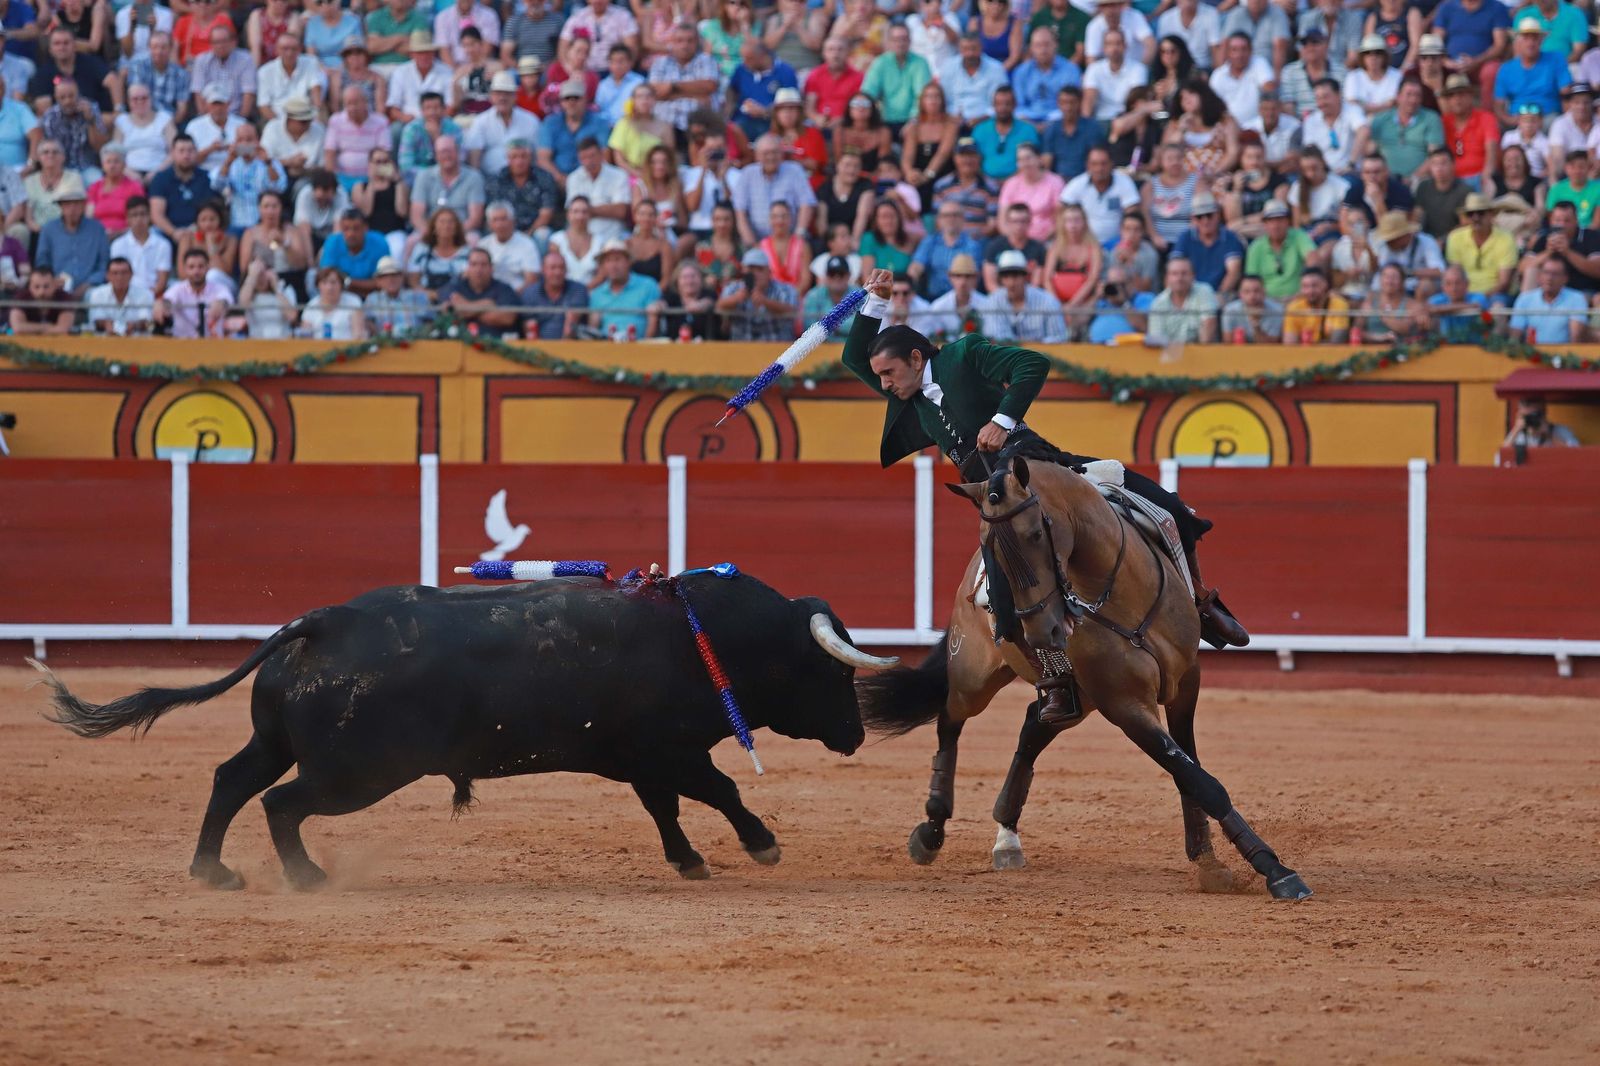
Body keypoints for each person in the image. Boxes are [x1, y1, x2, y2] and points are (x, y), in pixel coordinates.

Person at [842, 266, 1250, 721]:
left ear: (917, 359)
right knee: (1004, 591)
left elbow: (1032, 364)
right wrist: (873, 303)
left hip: (1041, 467)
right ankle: (1056, 679)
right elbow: (853, 360)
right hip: (996, 499)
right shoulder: (908, 395)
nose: (883, 385)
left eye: (888, 374)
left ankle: (1202, 603)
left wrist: (1002, 420)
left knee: (1168, 508)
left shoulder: (964, 354)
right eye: (879, 377)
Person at [35, 175, 106, 298]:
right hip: (57, 287)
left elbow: (103, 264)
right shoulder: (49, 229)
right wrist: (52, 280)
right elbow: (42, 261)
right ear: (61, 206)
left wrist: (87, 284)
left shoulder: (97, 229)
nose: (72, 208)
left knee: (95, 296)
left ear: (83, 205)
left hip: (90, 288)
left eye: (76, 203)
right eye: (67, 204)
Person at [982, 248, 1068, 343]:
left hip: (1043, 356)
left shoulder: (1048, 302)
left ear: (1025, 277)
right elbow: (998, 338)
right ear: (1001, 279)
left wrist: (1032, 347)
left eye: (1015, 276)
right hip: (1007, 357)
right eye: (1006, 276)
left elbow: (1059, 338)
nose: (1011, 283)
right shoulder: (993, 301)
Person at [1445, 191, 1517, 303]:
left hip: (1494, 295)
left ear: (1491, 214)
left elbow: (1504, 282)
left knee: (1498, 307)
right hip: (1462, 295)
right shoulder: (1455, 237)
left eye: (1480, 213)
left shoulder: (1506, 238)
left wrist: (1479, 300)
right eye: (1470, 214)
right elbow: (1456, 276)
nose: (1475, 218)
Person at [1493, 18, 1569, 125]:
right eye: (1525, 38)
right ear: (1517, 41)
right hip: (1517, 121)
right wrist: (1509, 120)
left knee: (1555, 123)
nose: (1530, 43)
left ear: (1541, 40)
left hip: (1547, 118)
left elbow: (1566, 93)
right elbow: (1499, 104)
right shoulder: (1506, 68)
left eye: (1535, 38)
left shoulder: (1556, 59)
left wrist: (1566, 121)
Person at [1058, 144, 1138, 244]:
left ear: (1111, 164)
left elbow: (1132, 215)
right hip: (1084, 243)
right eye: (1094, 164)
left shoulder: (1124, 182)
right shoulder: (1078, 183)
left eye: (1103, 163)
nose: (1099, 168)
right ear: (1087, 165)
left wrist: (1125, 244)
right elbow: (1061, 210)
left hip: (1117, 244)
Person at [1371, 78, 1445, 183]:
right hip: (1384, 180)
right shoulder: (1381, 120)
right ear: (1398, 96)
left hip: (1420, 181)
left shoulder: (1431, 118)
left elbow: (1435, 157)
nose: (1413, 100)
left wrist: (1412, 179)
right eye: (1409, 94)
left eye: (1417, 95)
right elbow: (1371, 153)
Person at [410, 133, 487, 235]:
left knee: (474, 241)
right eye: (442, 152)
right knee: (412, 243)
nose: (446, 155)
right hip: (430, 232)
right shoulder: (424, 176)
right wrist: (433, 235)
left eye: (450, 151)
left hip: (463, 232)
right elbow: (417, 216)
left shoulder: (473, 177)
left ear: (458, 152)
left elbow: (475, 219)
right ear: (436, 155)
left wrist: (451, 235)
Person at [1244, 200, 1319, 302]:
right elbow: (1251, 281)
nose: (1276, 225)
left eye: (1280, 219)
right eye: (1271, 220)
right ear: (1264, 224)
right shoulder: (1256, 247)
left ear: (1288, 221)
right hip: (1265, 303)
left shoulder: (1299, 236)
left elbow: (1313, 258)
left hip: (1298, 299)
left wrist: (1305, 289)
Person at [1172, 194, 1244, 298]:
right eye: (1199, 217)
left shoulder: (1230, 237)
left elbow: (1233, 272)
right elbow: (1175, 269)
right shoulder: (1185, 238)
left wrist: (1219, 295)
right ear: (1193, 219)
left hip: (1221, 295)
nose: (1205, 221)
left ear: (1218, 215)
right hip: (1189, 295)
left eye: (1209, 215)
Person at [910, 201, 983, 301]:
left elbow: (972, 277)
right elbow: (916, 266)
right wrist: (910, 284)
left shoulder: (972, 245)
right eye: (946, 216)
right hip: (933, 299)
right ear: (938, 220)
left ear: (962, 219)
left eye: (955, 215)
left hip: (961, 298)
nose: (950, 219)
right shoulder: (930, 242)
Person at [589, 238, 661, 337]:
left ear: (629, 262)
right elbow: (593, 328)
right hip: (606, 349)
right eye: (608, 261)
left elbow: (653, 322)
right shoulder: (597, 294)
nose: (613, 265)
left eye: (617, 259)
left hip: (640, 348)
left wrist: (645, 348)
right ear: (603, 266)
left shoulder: (648, 285)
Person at [862, 23, 931, 128]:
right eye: (895, 39)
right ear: (888, 42)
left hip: (915, 121)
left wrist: (914, 119)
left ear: (910, 41)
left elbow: (922, 95)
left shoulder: (920, 63)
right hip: (884, 122)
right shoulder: (880, 62)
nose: (900, 43)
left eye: (904, 39)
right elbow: (868, 93)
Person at [1440, 73, 1499, 191]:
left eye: (1461, 94)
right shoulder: (1443, 122)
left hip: (1479, 179)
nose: (1457, 99)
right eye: (1452, 95)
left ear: (1471, 96)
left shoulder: (1486, 118)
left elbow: (1491, 154)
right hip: (1451, 182)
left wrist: (1486, 177)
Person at [931, 138, 996, 240]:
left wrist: (969, 239)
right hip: (949, 239)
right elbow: (938, 222)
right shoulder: (942, 186)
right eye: (963, 155)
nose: (967, 160)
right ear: (955, 158)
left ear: (979, 158)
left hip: (978, 240)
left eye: (971, 155)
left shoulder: (991, 187)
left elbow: (992, 225)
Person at [1510, 256, 1586, 343]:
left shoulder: (1576, 298)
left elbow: (1575, 337)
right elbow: (1515, 335)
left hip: (1564, 354)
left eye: (1555, 274)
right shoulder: (1525, 299)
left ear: (1565, 279)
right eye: (1546, 272)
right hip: (1531, 354)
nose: (1549, 278)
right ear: (1539, 276)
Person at [156, 246, 230, 337]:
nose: (196, 271)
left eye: (200, 266)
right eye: (191, 267)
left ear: (208, 267)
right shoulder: (177, 289)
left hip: (213, 345)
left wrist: (220, 304)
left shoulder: (219, 288)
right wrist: (162, 305)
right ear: (185, 269)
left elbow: (225, 300)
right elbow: (167, 300)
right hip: (181, 345)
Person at [1372, 210, 1445, 299]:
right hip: (1394, 283)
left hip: (1416, 284)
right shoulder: (1385, 246)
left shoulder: (1427, 242)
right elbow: (1382, 269)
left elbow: (1439, 271)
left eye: (1392, 240)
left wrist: (1410, 272)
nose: (1389, 243)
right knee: (1377, 285)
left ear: (1403, 235)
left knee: (1425, 286)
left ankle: (1419, 311)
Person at [1145, 255, 1218, 345]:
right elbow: (1156, 339)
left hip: (1201, 353)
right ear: (1167, 278)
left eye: (1184, 273)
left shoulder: (1204, 291)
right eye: (1174, 274)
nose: (1179, 278)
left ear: (1193, 276)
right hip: (1169, 355)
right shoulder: (1158, 303)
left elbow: (1209, 327)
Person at [256, 32, 327, 122]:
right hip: (277, 118)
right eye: (285, 49)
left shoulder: (311, 62)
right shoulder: (265, 72)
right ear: (276, 50)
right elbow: (263, 106)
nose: (289, 53)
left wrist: (315, 119)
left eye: (294, 49)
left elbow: (316, 94)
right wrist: (281, 126)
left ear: (300, 49)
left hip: (305, 117)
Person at [110, 194, 172, 294]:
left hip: (155, 295)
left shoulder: (163, 244)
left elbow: (162, 281)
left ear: (149, 216)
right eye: (134, 215)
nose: (139, 219)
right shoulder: (118, 245)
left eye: (143, 214)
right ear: (127, 219)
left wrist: (147, 297)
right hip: (126, 295)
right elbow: (117, 278)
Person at [1039, 86, 1104, 181]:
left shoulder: (1092, 128)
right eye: (1063, 103)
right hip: (1058, 181)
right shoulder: (1052, 129)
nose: (1068, 107)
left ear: (1080, 103)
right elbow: (1046, 162)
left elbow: (1096, 159)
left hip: (1086, 180)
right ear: (1058, 104)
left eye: (1072, 103)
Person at [1081, 27, 1145, 123]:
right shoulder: (1094, 69)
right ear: (1104, 48)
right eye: (1109, 44)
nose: (1114, 48)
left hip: (1127, 119)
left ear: (1125, 46)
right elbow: (1089, 100)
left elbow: (1135, 101)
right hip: (1100, 119)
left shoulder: (1138, 69)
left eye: (1118, 43)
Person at [1208, 32, 1274, 126]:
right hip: (1228, 128)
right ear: (1227, 53)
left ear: (1251, 51)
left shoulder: (1259, 63)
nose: (1240, 55)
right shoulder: (1218, 75)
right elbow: (1211, 106)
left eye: (1244, 49)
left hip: (1257, 127)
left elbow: (1270, 90)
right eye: (1234, 50)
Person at [522, 247, 589, 339]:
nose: (558, 272)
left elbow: (571, 326)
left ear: (566, 270)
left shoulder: (578, 289)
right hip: (538, 348)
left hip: (571, 347)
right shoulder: (530, 293)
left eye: (561, 267)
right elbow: (529, 327)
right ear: (543, 270)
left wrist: (560, 350)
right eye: (553, 268)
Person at [387, 30, 451, 124]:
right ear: (412, 54)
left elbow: (451, 106)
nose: (424, 56)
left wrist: (436, 120)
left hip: (438, 120)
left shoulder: (446, 71)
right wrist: (403, 117)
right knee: (396, 130)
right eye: (420, 52)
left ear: (433, 53)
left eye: (427, 52)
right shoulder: (400, 72)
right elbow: (393, 108)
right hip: (408, 121)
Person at [318, 207, 386, 294]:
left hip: (375, 296)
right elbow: (327, 278)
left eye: (356, 228)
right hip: (340, 295)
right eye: (346, 229)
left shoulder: (379, 242)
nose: (351, 234)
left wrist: (347, 282)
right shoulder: (333, 242)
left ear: (365, 228)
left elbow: (383, 282)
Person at [362, 255, 432, 333]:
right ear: (378, 281)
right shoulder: (372, 299)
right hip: (384, 343)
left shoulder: (418, 297)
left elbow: (430, 323)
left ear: (402, 277)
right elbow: (367, 323)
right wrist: (381, 336)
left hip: (418, 342)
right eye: (385, 276)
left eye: (394, 274)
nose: (390, 279)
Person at [262, 97, 326, 184]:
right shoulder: (272, 128)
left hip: (308, 178)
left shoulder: (319, 130)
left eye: (309, 120)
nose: (308, 124)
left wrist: (303, 170)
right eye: (303, 121)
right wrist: (289, 162)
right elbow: (264, 160)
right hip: (276, 177)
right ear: (290, 120)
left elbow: (323, 165)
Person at [86, 256, 155, 335]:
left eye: (124, 273)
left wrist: (134, 325)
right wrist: (106, 324)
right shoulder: (97, 294)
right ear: (107, 276)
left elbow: (148, 322)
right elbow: (96, 320)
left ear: (131, 274)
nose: (119, 277)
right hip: (105, 342)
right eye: (115, 273)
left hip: (137, 342)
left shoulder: (145, 294)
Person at [406, 205, 470, 291]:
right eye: (442, 222)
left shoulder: (467, 252)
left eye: (451, 222)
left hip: (458, 299)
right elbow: (414, 282)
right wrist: (430, 295)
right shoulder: (421, 250)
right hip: (426, 299)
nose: (446, 226)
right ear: (434, 227)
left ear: (457, 227)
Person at [1281, 267, 1350, 343]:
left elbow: (1337, 342)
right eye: (1305, 286)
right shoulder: (1294, 308)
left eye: (1314, 285)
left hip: (1329, 353)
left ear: (1325, 285)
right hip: (1302, 352)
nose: (1310, 291)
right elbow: (1290, 343)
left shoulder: (1338, 304)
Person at [800, 254, 859, 341]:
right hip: (821, 348)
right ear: (826, 276)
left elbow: (860, 327)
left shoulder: (859, 295)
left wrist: (829, 323)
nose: (836, 278)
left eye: (841, 274)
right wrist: (841, 325)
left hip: (852, 347)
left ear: (849, 275)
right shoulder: (813, 295)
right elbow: (809, 327)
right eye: (832, 274)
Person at [1499, 396, 1580, 458]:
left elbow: (1576, 456)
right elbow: (1499, 460)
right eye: (1527, 417)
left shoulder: (1560, 431)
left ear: (1544, 414)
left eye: (1535, 415)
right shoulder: (1518, 436)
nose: (1531, 420)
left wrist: (1549, 434)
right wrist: (1516, 430)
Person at [1427, 263, 1491, 340]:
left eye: (1457, 283)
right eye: (1448, 283)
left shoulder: (1479, 297)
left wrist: (1438, 309)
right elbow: (1427, 308)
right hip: (1445, 348)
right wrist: (1468, 306)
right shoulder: (1436, 299)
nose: (1453, 288)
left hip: (1475, 348)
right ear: (1442, 286)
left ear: (1467, 284)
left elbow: (1478, 307)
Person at [1220, 273, 1283, 342]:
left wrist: (1256, 327)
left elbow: (1271, 346)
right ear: (1240, 294)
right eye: (1247, 292)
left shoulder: (1277, 310)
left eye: (1256, 291)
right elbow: (1228, 343)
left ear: (1264, 292)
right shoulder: (1230, 311)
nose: (1252, 296)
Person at [10, 269, 74, 334]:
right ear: (29, 286)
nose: (41, 292)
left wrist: (29, 328)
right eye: (36, 287)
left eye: (46, 286)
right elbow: (18, 328)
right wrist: (47, 327)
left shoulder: (65, 298)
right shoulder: (21, 298)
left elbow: (62, 330)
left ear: (55, 285)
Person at [1547, 149, 1600, 227]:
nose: (1577, 171)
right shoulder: (1556, 190)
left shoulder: (1598, 188)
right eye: (1572, 166)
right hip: (1560, 232)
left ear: (1588, 168)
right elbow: (1551, 219)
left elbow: (1596, 224)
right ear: (1566, 168)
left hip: (1588, 234)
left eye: (1581, 166)